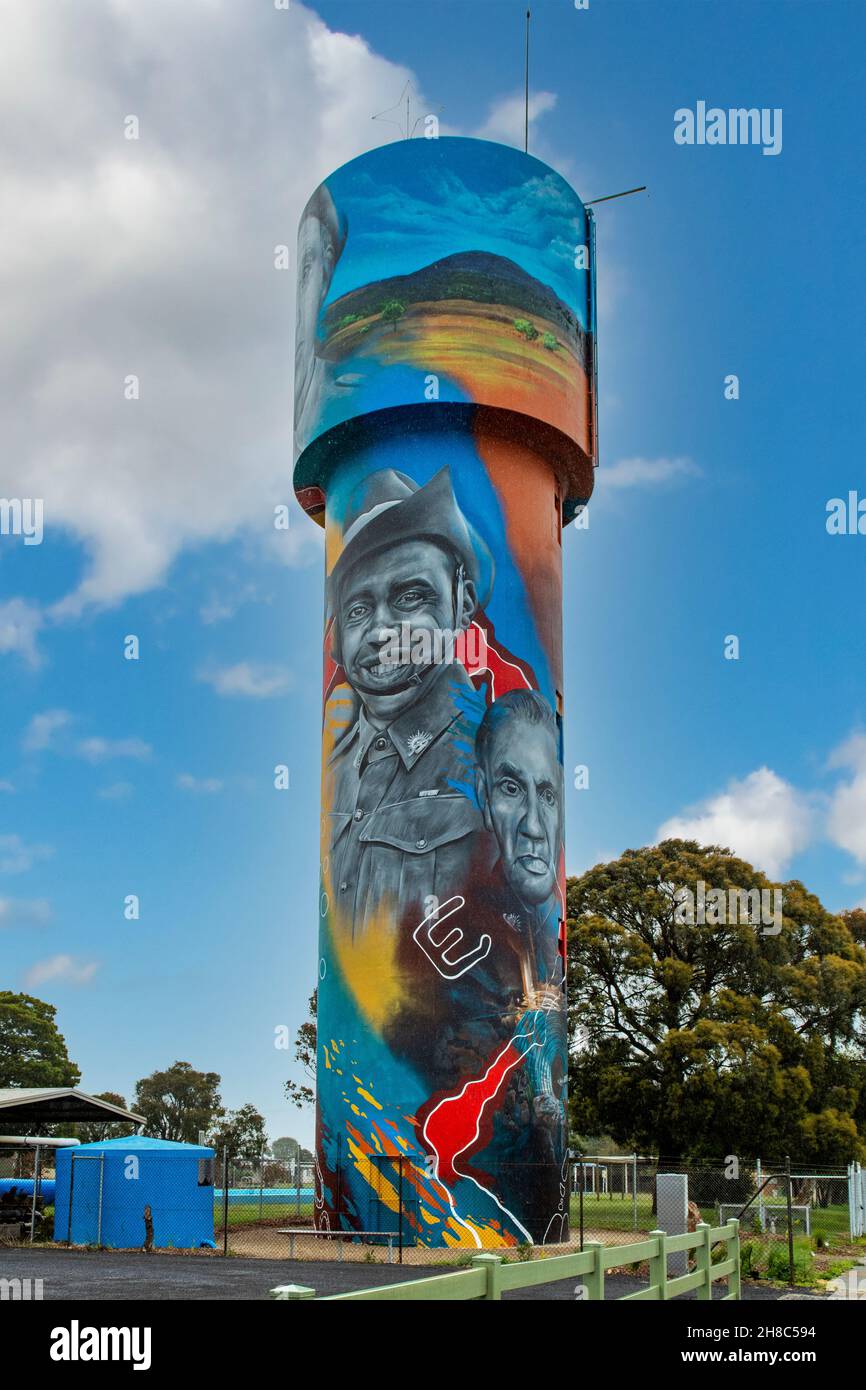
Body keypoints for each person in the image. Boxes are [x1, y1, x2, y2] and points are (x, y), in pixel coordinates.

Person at [323, 466, 495, 940]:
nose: (380, 632)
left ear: (462, 605)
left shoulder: (496, 759)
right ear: (337, 638)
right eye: (358, 609)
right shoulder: (336, 769)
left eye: (410, 596)